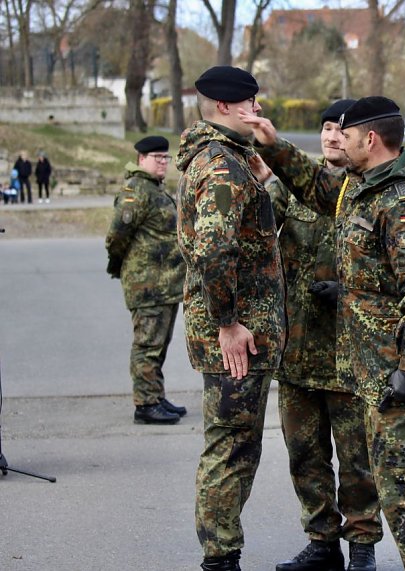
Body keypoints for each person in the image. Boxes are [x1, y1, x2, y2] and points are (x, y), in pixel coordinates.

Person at [242, 96, 405, 571]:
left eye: (348, 133)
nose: (340, 139)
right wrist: (275, 146)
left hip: (395, 372)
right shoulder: (361, 189)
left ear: (370, 138)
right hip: (369, 367)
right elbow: (316, 186)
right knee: (397, 488)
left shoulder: (400, 203)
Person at [175, 66, 286, 571]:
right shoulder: (220, 166)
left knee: (236, 444)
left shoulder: (230, 160)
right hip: (236, 333)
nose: (257, 109)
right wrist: (228, 324)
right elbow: (214, 252)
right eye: (249, 103)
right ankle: (220, 557)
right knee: (231, 448)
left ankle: (221, 551)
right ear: (224, 107)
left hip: (239, 326)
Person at [270, 99, 382, 571]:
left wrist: (353, 290)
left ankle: (361, 549)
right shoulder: (293, 188)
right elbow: (254, 236)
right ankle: (321, 544)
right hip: (296, 351)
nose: (333, 137)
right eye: (326, 129)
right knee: (305, 456)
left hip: (348, 354)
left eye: (341, 129)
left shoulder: (371, 192)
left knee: (358, 460)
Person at [105, 135, 187, 424]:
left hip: (165, 284)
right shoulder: (136, 190)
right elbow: (116, 237)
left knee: (159, 345)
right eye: (157, 158)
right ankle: (145, 404)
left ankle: (155, 395)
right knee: (147, 346)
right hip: (148, 284)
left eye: (166, 158)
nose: (163, 163)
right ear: (142, 159)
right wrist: (125, 268)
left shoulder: (155, 189)